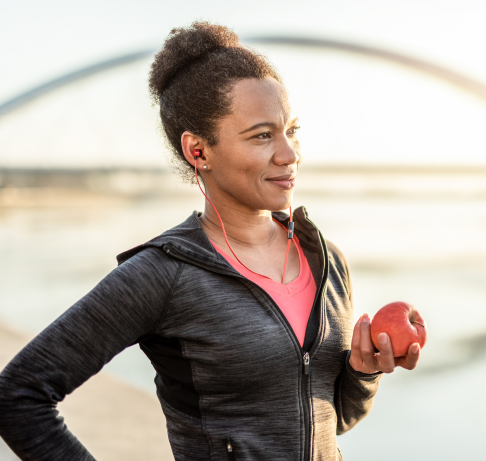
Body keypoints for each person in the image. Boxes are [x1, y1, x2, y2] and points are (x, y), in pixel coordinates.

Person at [0, 22, 420, 460]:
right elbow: (18, 395)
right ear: (198, 151)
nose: (289, 154)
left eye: (291, 130)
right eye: (262, 135)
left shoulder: (327, 260)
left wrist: (362, 372)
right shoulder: (163, 274)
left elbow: (330, 418)